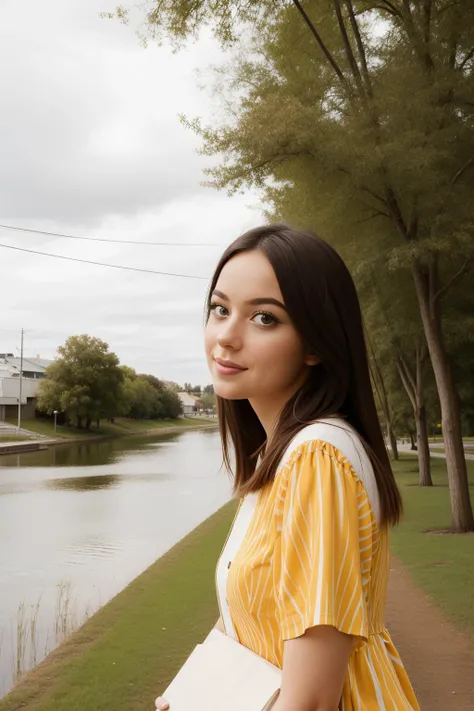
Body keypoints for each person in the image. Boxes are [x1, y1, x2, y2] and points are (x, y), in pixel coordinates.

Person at [155, 224, 420, 711]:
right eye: (220, 309)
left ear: (316, 342)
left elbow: (312, 699)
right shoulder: (283, 455)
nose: (226, 337)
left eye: (263, 318)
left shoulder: (316, 459)